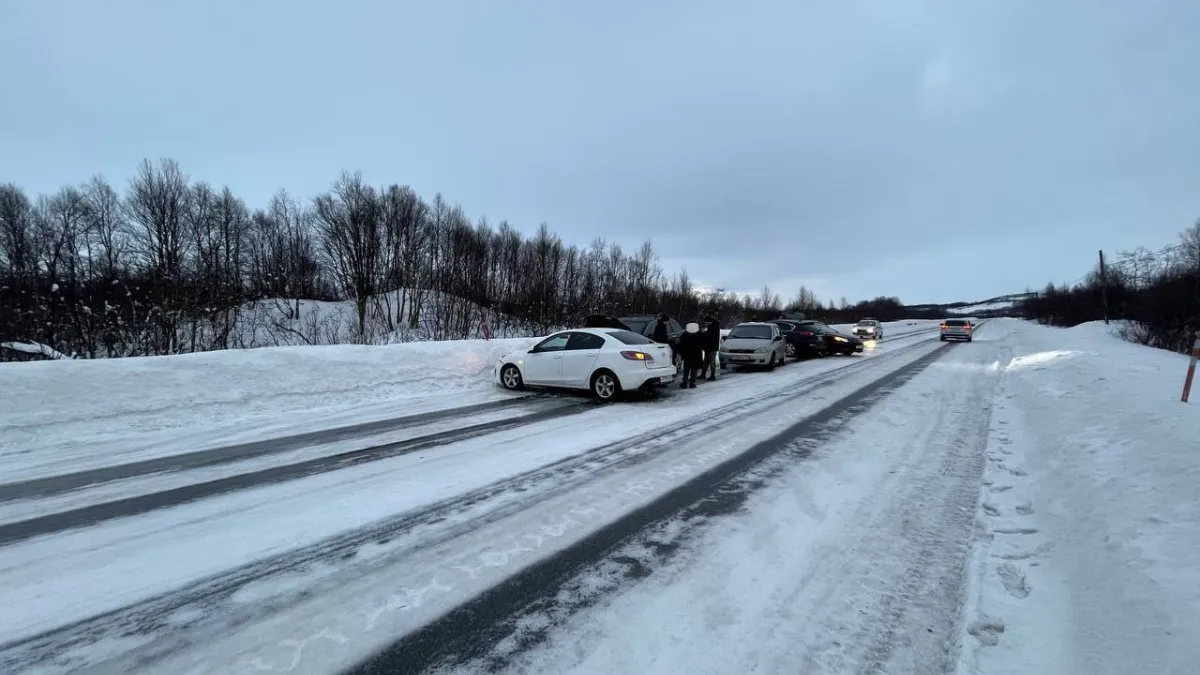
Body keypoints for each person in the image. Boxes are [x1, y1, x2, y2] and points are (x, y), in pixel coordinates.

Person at [677, 321, 704, 389]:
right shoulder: (698, 334)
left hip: (687, 355)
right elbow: (703, 342)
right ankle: (692, 382)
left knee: (686, 369)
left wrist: (680, 353)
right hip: (695, 355)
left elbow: (681, 345)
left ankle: (685, 382)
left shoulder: (684, 334)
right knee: (694, 369)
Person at [702, 313, 721, 380]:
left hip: (712, 347)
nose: (705, 324)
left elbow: (709, 336)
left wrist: (703, 334)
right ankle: (703, 374)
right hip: (708, 347)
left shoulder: (714, 327)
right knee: (705, 361)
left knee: (711, 362)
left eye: (706, 323)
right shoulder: (712, 326)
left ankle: (712, 375)